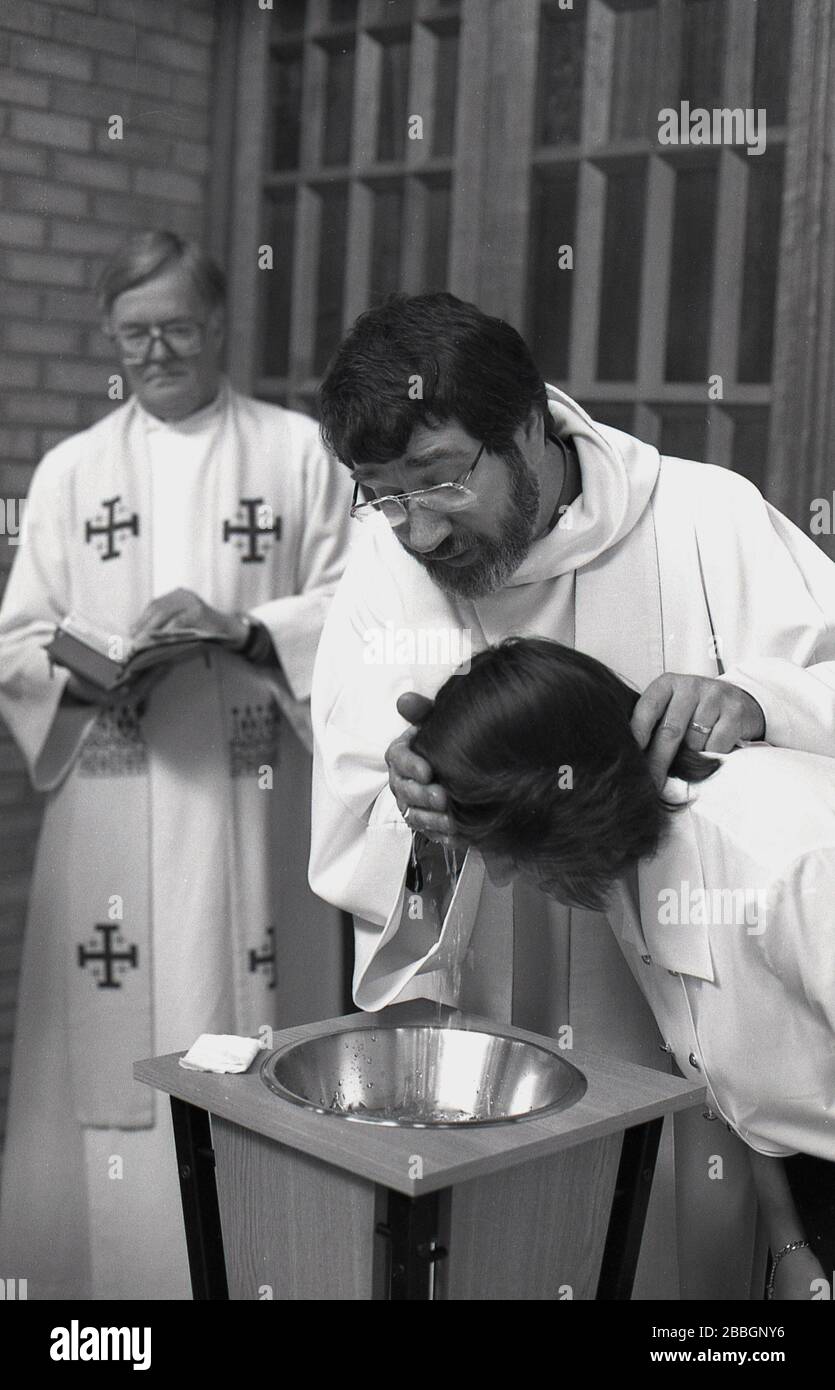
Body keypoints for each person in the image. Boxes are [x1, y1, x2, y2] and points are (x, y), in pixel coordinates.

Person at [309, 291, 835, 1299]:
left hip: (709, 1027)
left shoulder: (700, 515)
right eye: (379, 494)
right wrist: (411, 808)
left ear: (526, 431)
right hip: (482, 1035)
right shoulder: (384, 557)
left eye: (441, 482)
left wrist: (760, 702)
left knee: (670, 1271)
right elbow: (351, 781)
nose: (415, 533)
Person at [0, 230, 353, 1299]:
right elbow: (18, 639)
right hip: (111, 782)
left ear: (219, 326)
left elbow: (359, 608)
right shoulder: (72, 470)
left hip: (252, 796)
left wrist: (245, 628)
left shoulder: (296, 452)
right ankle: (105, 1289)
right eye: (133, 333)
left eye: (177, 329)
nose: (155, 352)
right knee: (111, 1041)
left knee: (252, 1019)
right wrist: (82, 670)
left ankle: (261, 1266)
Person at [411, 636, 835, 1300]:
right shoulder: (629, 864)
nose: (495, 875)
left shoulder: (789, 865)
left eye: (499, 843)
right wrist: (790, 1246)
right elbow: (738, 1078)